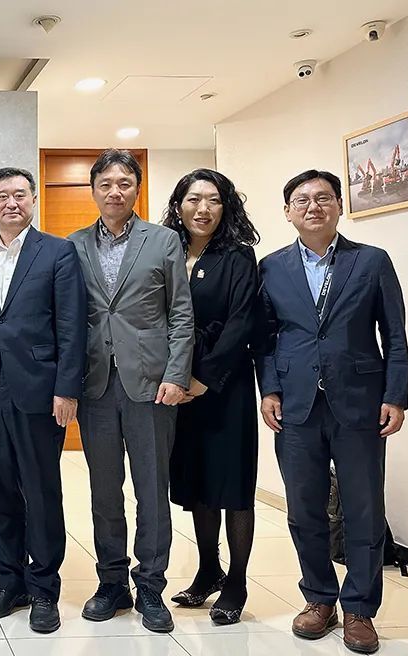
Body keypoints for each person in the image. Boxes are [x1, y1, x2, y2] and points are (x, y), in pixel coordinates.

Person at [257, 169, 408, 655]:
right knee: (304, 508)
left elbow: (395, 335)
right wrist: (269, 389)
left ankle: (360, 608)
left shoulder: (371, 261)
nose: (313, 206)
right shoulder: (271, 267)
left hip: (360, 402)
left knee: (364, 508)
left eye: (323, 198)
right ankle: (319, 598)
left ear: (340, 206)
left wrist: (396, 395)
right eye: (302, 200)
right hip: (295, 404)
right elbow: (265, 339)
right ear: (288, 212)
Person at [66, 149, 193, 634]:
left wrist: (176, 375)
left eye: (124, 183)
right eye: (105, 184)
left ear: (136, 189)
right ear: (93, 191)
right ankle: (111, 583)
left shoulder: (163, 241)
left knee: (151, 491)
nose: (114, 192)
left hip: (151, 384)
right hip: (95, 384)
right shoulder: (73, 245)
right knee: (103, 491)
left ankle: (152, 587)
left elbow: (181, 313)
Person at [0, 166, 86, 634]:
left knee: (41, 490)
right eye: (2, 195)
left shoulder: (57, 252)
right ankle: (9, 581)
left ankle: (44, 588)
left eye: (19, 194)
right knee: (2, 490)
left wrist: (66, 388)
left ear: (32, 200)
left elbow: (72, 325)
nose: (11, 203)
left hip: (40, 391)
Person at [161, 169, 261, 625]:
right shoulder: (167, 249)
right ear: (178, 205)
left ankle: (236, 581)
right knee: (198, 482)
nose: (203, 209)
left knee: (232, 485)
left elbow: (242, 321)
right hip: (177, 383)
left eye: (214, 200)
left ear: (226, 207)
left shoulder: (237, 255)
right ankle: (208, 570)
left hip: (224, 384)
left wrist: (204, 377)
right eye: (193, 199)